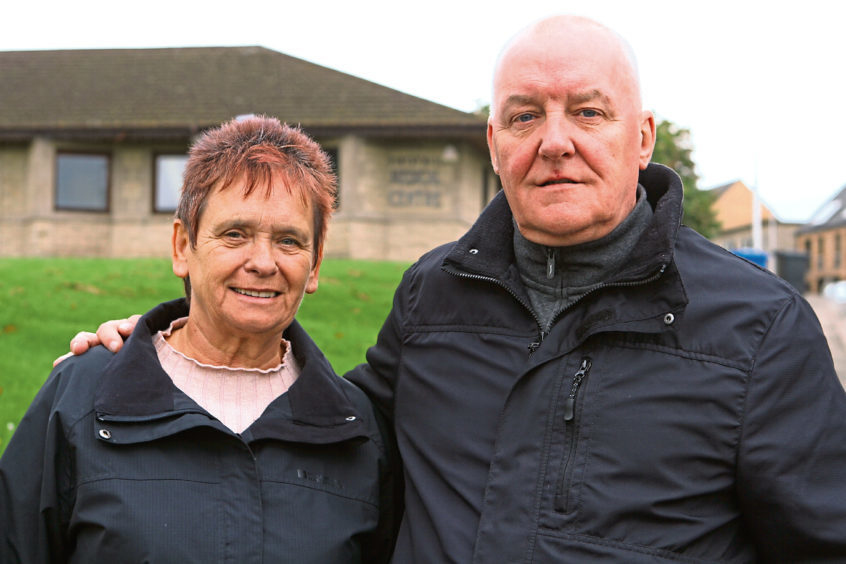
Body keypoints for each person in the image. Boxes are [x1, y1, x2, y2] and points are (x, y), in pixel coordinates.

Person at [57, 15, 846, 562]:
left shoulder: (757, 328)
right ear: (494, 141)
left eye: (589, 112)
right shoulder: (436, 294)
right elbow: (324, 427)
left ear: (641, 137)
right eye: (526, 115)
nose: (556, 141)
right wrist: (169, 354)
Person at [1, 115, 398, 563]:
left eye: (289, 241)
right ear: (182, 246)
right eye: (235, 234)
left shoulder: (357, 431)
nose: (263, 262)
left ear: (316, 264)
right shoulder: (82, 398)